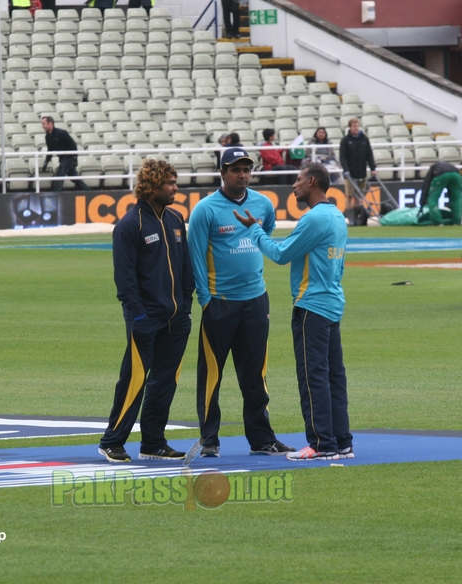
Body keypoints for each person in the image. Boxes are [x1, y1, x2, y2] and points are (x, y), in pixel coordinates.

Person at [232, 163, 352, 461]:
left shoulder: (314, 219)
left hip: (311, 306)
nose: (295, 185)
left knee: (313, 378)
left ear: (312, 182)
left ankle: (321, 444)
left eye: (298, 180)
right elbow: (339, 264)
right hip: (332, 303)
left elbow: (281, 254)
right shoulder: (337, 216)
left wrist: (255, 230)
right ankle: (341, 441)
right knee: (334, 376)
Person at [187, 147, 294, 458]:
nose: (243, 175)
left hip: (256, 302)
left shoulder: (263, 204)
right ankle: (210, 440)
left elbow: (266, 232)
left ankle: (262, 439)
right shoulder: (205, 209)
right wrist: (205, 300)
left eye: (247, 169)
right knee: (211, 376)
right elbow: (195, 257)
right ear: (223, 172)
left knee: (255, 375)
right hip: (219, 303)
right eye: (236, 169)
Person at [98, 159, 194, 463]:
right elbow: (125, 281)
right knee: (134, 380)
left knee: (166, 380)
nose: (176, 188)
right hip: (146, 319)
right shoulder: (130, 225)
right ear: (151, 186)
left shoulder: (176, 220)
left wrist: (186, 305)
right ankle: (112, 440)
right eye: (170, 183)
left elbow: (186, 268)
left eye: (175, 182)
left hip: (177, 319)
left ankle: (153, 442)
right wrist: (138, 315)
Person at [339, 117, 376, 225]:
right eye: (354, 126)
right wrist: (346, 170)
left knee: (359, 196)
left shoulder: (364, 139)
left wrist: (373, 168)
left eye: (357, 126)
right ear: (350, 127)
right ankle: (350, 217)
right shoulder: (345, 141)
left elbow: (369, 155)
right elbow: (343, 157)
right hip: (350, 174)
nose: (356, 128)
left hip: (362, 172)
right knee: (350, 196)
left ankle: (357, 216)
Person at [41, 116, 88, 191]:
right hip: (62, 159)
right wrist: (46, 161)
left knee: (59, 176)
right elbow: (50, 150)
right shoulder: (47, 137)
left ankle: (57, 195)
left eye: (44, 124)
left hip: (68, 157)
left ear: (50, 123)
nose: (42, 126)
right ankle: (88, 191)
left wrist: (75, 158)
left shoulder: (61, 133)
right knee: (75, 178)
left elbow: (73, 145)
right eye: (42, 124)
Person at [421, 161, 462, 225]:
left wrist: (422, 200)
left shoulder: (433, 168)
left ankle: (437, 222)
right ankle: (457, 221)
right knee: (456, 199)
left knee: (432, 199)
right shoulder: (449, 165)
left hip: (441, 174)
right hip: (457, 175)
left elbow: (426, 184)